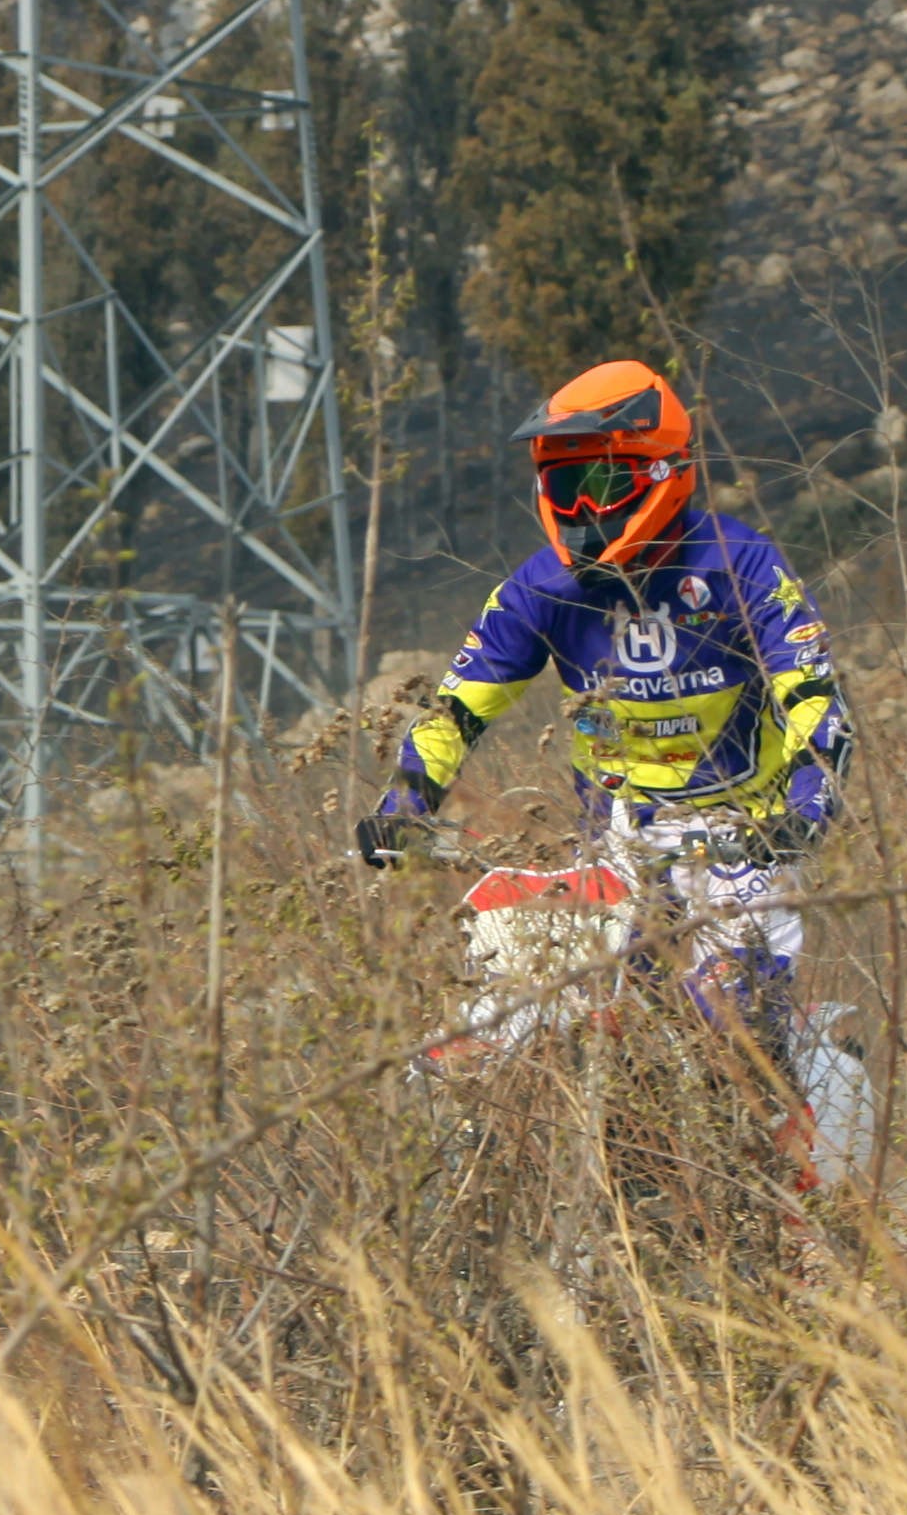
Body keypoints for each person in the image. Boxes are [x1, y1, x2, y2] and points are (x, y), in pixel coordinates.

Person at [359, 358, 869, 1164]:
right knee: (520, 1006)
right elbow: (457, 705)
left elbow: (812, 692)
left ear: (662, 470)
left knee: (731, 1022)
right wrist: (404, 804)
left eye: (606, 480)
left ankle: (765, 1198)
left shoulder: (739, 563)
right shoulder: (541, 588)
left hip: (744, 836)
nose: (588, 508)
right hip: (615, 844)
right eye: (568, 488)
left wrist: (807, 806)